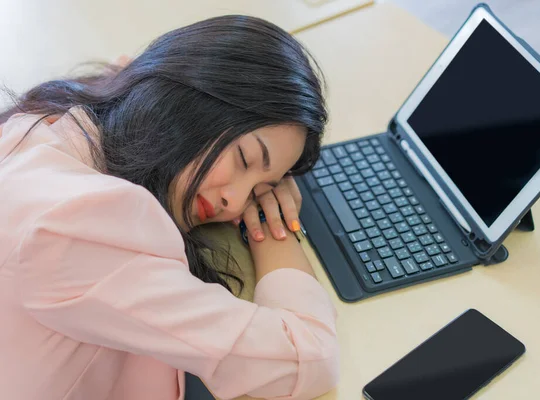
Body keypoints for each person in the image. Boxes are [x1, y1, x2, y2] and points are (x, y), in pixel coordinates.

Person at [0, 15, 339, 400]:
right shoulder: (81, 226)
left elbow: (128, 66)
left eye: (260, 191)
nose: (234, 201)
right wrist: (272, 226)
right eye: (244, 160)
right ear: (186, 104)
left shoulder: (62, 118)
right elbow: (309, 360)